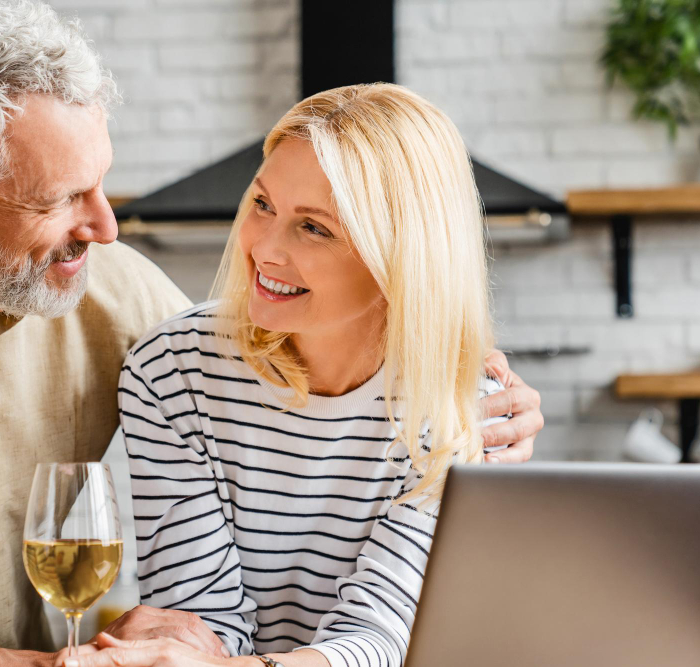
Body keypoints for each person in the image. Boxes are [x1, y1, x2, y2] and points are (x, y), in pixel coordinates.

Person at [0, 3, 542, 667]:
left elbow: (263, 354)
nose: (104, 227)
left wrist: (479, 399)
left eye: (102, 181)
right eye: (63, 198)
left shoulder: (120, 295)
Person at [84, 83, 518, 667]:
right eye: (263, 205)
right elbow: (194, 621)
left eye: (314, 227)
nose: (264, 248)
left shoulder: (462, 408)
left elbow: (382, 639)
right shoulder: (173, 371)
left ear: (400, 256)